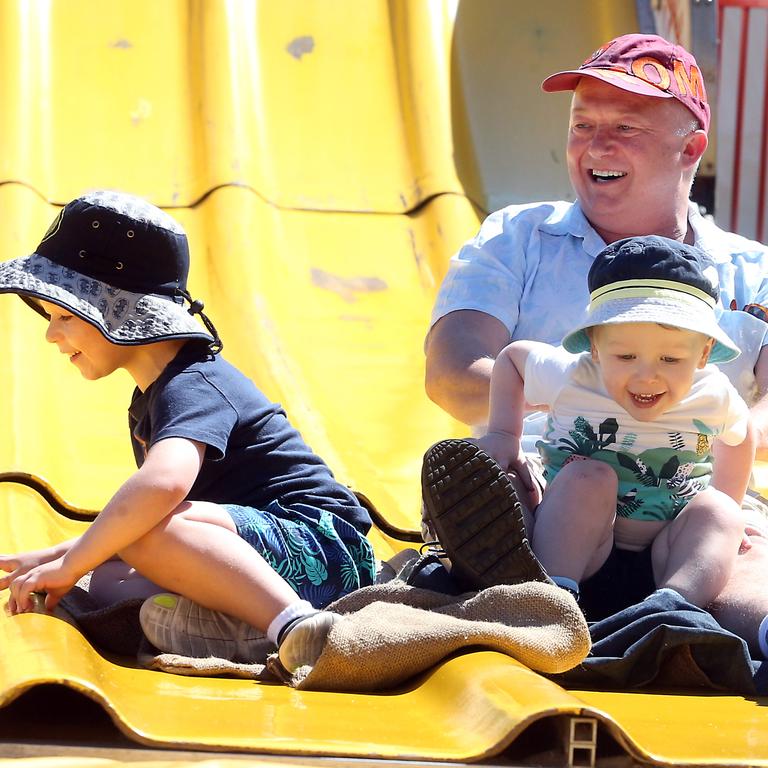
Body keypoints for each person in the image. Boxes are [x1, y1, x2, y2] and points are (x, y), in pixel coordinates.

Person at [423, 33, 768, 656]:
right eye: (583, 125)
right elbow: (453, 369)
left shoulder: (751, 270)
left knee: (737, 545)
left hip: (692, 495)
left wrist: (697, 426)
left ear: (690, 149)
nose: (596, 145)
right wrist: (590, 409)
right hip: (551, 475)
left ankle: (690, 620)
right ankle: (530, 588)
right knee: (527, 494)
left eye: (626, 128)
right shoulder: (518, 236)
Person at [0, 190, 376, 672]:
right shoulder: (153, 395)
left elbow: (163, 488)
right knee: (111, 579)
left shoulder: (193, 383)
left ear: (117, 309)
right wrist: (56, 557)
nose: (51, 335)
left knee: (139, 534)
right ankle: (240, 629)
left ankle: (293, 626)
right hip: (259, 551)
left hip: (324, 548)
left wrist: (72, 563)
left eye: (65, 316)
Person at [434, 236, 754, 622]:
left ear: (703, 354)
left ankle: (673, 611)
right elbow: (513, 360)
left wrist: (728, 505)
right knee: (588, 475)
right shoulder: (575, 375)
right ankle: (551, 599)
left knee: (721, 512)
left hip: (665, 556)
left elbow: (742, 435)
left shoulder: (712, 392)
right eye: (625, 356)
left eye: (671, 358)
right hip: (581, 546)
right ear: (595, 347)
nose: (647, 374)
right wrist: (505, 434)